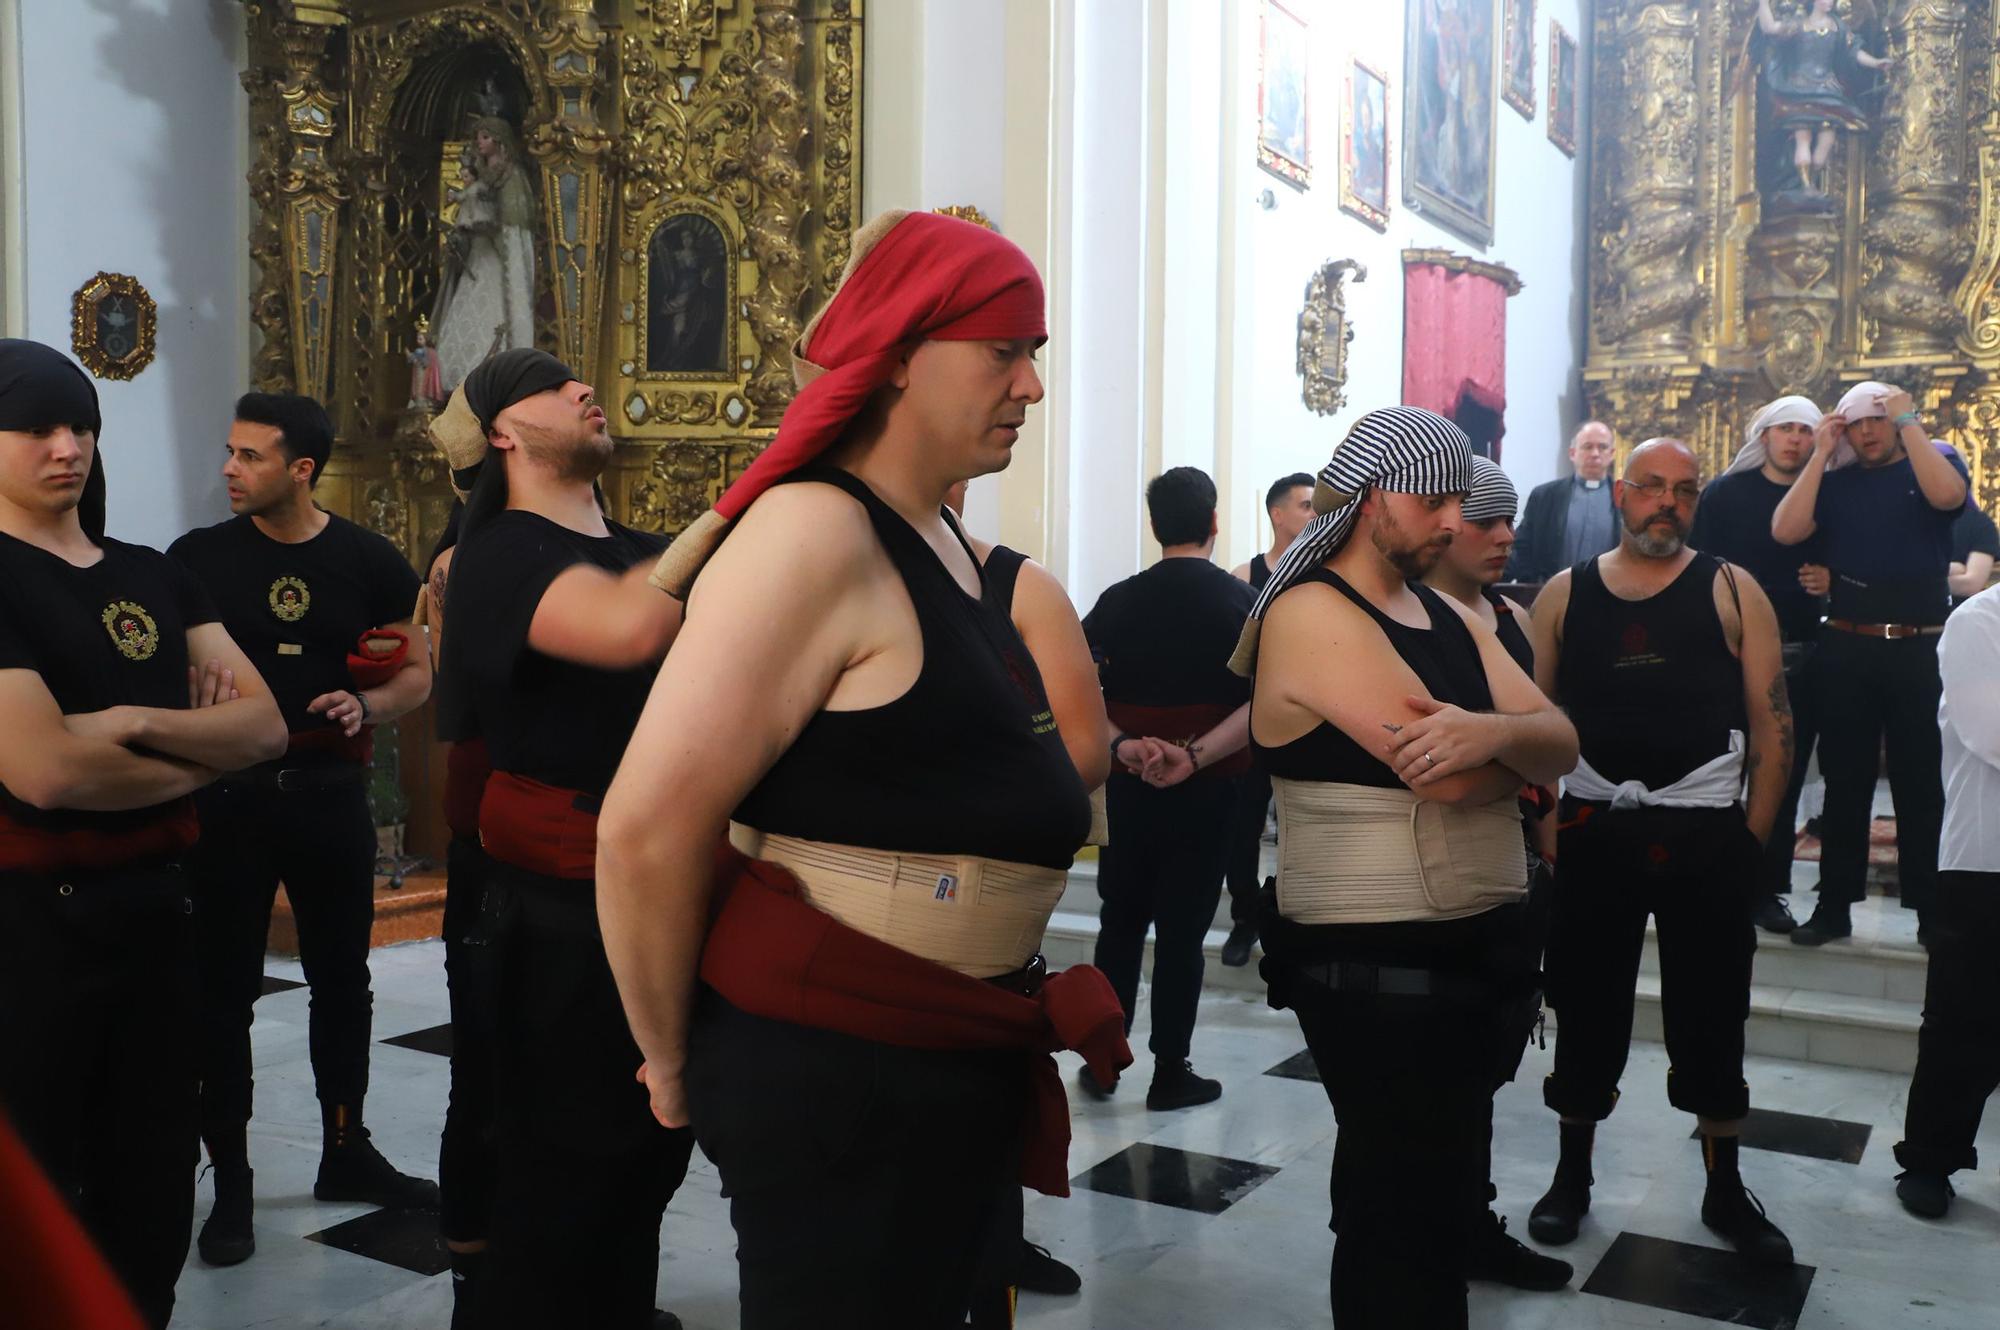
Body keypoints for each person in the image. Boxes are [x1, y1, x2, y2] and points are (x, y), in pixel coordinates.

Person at [595, 210, 1131, 1329]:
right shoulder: (812, 534)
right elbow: (647, 826)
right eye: (1003, 351)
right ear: (896, 355)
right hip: (842, 1071)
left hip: (945, 1050)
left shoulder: (930, 533)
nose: (1030, 386)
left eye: (1034, 354)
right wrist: (664, 1057)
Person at [1239, 406, 1578, 1325]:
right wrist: (1508, 754)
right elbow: (1461, 782)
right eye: (1431, 502)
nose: (1448, 523)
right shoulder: (1311, 611)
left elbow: (1561, 741)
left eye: (1454, 503)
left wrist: (1492, 734)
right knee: (1399, 1219)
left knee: (1432, 1206)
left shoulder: (1445, 610)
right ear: (1366, 500)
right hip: (1373, 966)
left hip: (1471, 957)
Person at [0, 338, 287, 1327]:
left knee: (155, 1172)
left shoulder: (152, 574)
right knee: (45, 1183)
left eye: (79, 424)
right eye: (35, 426)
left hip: (165, 913)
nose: (66, 445)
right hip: (36, 928)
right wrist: (203, 750)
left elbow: (266, 725)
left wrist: (132, 723)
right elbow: (45, 770)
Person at [432, 349, 692, 1328]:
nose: (586, 389)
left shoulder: (643, 544)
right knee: (563, 1171)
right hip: (561, 910)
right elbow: (630, 630)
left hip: (664, 890)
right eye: (553, 386)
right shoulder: (500, 551)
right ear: (503, 432)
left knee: (647, 1159)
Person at [168, 392, 436, 1267]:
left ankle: (345, 1149)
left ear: (302, 470)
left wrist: (366, 701)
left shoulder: (367, 558)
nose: (229, 470)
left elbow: (416, 675)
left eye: (249, 456)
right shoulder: (197, 559)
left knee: (342, 982)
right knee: (224, 994)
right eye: (231, 451)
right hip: (229, 800)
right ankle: (233, 1180)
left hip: (327, 795)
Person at [1527, 438, 1797, 1268]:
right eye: (1652, 488)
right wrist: (1547, 841)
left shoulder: (1730, 587)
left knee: (1713, 1011)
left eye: (1684, 491)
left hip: (1704, 834)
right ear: (1621, 493)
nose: (1667, 504)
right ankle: (1572, 1177)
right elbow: (1532, 724)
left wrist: (1749, 838)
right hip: (1592, 831)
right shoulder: (1563, 594)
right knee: (1586, 1005)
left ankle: (1724, 1186)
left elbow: (1773, 723)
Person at [947, 478, 1106, 1316]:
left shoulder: (1018, 586)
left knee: (983, 1121)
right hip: (847, 936)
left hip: (985, 915)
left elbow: (1082, 752)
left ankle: (995, 1253)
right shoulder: (807, 567)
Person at [1418, 454, 1573, 1294]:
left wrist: (1546, 836)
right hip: (1431, 876)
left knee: (1488, 1058)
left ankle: (1469, 1221)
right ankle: (1422, 1230)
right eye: (1485, 520)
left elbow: (1542, 738)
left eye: (1511, 520)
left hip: (1509, 867)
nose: (1506, 537)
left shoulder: (1509, 619)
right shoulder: (1400, 620)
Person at [1080, 466, 1254, 1109]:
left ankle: (1103, 1060)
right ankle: (1170, 1070)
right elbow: (1264, 701)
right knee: (1183, 931)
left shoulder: (1119, 598)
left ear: (1154, 526)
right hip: (1208, 792)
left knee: (1118, 921)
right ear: (1213, 522)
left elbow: (1074, 687)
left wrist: (1125, 743)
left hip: (1129, 786)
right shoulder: (1240, 604)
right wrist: (1195, 755)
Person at [1773, 381, 1969, 945]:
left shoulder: (1929, 470)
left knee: (1921, 783)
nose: (1867, 431)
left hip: (1919, 649)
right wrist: (1818, 454)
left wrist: (1910, 420)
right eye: (1857, 423)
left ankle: (1932, 912)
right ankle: (1833, 907)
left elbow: (1949, 498)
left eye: (1877, 420)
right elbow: (1785, 530)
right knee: (1846, 783)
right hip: (1850, 647)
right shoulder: (1834, 484)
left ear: (1896, 422)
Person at [1688, 395, 1833, 935]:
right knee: (1722, 765)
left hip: (1803, 649)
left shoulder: (1825, 493)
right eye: (1786, 428)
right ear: (1764, 435)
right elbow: (1699, 565)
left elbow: (1842, 558)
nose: (1795, 438)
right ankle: (1712, 876)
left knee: (1784, 773)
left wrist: (1832, 581)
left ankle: (1765, 886)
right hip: (1729, 649)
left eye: (1805, 430)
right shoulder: (1726, 493)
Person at [1891, 582, 2000, 1218]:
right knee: (1963, 1022)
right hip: (1986, 855)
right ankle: (1931, 1158)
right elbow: (1991, 733)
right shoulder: (1979, 620)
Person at [1222, 471, 1315, 966]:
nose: (1313, 512)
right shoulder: (1245, 576)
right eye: (1304, 505)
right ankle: (1245, 918)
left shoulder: (1325, 572)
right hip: (1257, 722)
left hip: (1313, 721)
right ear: (1277, 514)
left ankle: (1299, 920)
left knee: (1305, 825)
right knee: (1244, 825)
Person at [431, 117, 537, 391]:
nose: (480, 142)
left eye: (485, 137)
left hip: (495, 259)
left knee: (493, 312)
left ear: (499, 141)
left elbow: (514, 225)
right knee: (465, 309)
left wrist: (490, 228)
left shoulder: (511, 175)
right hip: (477, 255)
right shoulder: (478, 172)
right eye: (479, 137)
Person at [1505, 421, 1619, 583]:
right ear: (1572, 453)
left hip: (1610, 597)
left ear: (1612, 453)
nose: (1595, 453)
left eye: (1602, 447)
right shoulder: (1545, 496)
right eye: (1587, 446)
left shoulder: (1625, 498)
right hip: (1551, 594)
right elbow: (1522, 549)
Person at [1948, 498, 1996, 606]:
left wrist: (1919, 581)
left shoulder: (1979, 523)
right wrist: (1954, 568)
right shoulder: (1909, 521)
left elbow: (1971, 584)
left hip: (1961, 613)